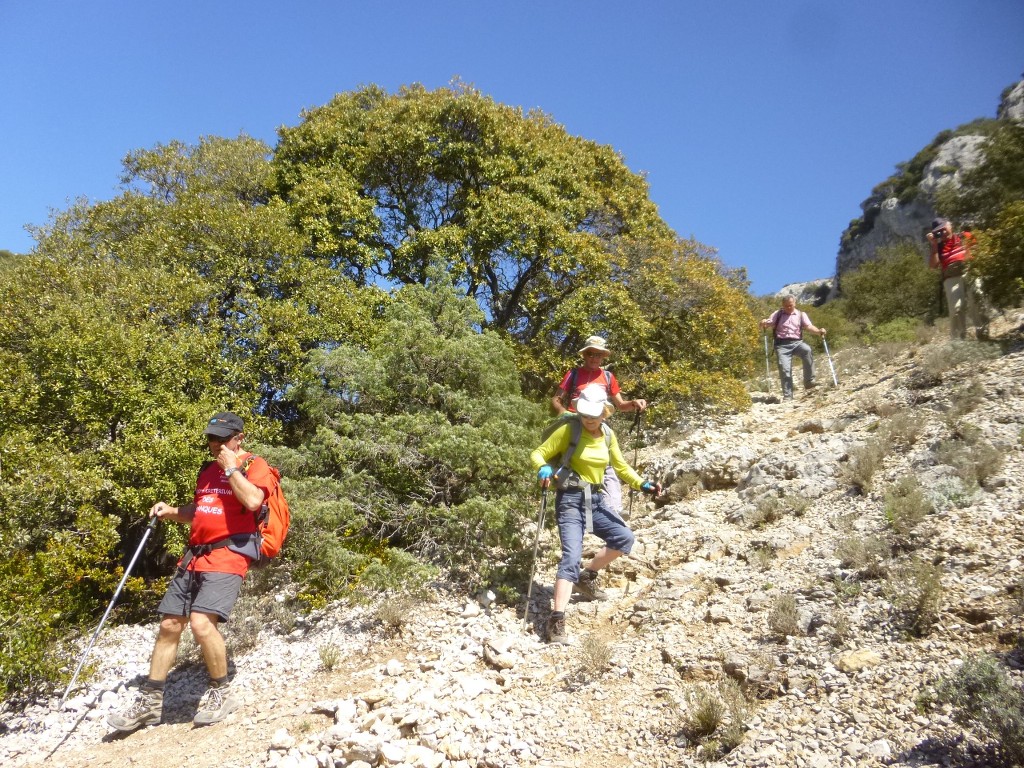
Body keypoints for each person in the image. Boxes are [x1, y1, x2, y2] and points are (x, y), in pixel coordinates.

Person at [107, 412, 273, 732]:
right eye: (212, 439)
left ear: (239, 437)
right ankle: (151, 702)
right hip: (194, 556)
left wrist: (231, 469)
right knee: (170, 624)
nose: (215, 444)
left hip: (228, 555)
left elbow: (253, 500)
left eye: (223, 439)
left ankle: (220, 691)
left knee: (200, 623)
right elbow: (202, 509)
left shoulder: (254, 465)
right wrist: (171, 512)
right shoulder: (207, 470)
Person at [531, 385, 661, 645]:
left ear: (605, 412)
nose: (588, 419)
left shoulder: (608, 435)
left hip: (594, 499)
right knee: (570, 556)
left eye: (593, 414)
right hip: (569, 499)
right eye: (584, 414)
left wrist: (642, 484)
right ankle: (556, 620)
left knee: (624, 539)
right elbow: (538, 453)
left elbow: (621, 467)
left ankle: (586, 577)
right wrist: (543, 468)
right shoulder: (570, 429)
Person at [550, 335, 647, 511]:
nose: (595, 358)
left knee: (609, 464)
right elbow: (556, 399)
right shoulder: (573, 374)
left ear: (604, 357)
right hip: (575, 420)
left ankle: (613, 510)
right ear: (584, 355)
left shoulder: (608, 377)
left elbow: (620, 405)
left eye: (599, 355)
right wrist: (563, 413)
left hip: (598, 423)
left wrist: (634, 403)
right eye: (591, 354)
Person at [927, 218, 985, 340]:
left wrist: (970, 255)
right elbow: (933, 266)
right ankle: (959, 341)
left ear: (950, 225)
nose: (942, 232)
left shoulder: (964, 236)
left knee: (977, 298)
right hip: (951, 277)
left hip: (969, 271)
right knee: (956, 309)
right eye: (938, 231)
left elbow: (979, 249)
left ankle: (982, 332)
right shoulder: (939, 246)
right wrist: (934, 245)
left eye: (943, 228)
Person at [759, 296, 826, 401]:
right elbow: (768, 323)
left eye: (790, 305)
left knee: (807, 350)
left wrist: (818, 331)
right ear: (783, 305)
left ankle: (809, 382)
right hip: (782, 345)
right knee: (784, 369)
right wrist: (763, 323)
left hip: (797, 342)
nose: (789, 307)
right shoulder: (778, 314)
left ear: (795, 303)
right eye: (786, 306)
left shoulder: (801, 315)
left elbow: (809, 326)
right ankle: (788, 396)